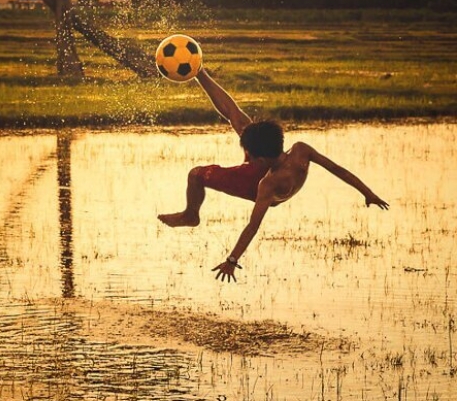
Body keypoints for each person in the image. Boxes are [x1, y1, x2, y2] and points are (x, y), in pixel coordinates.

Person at [158, 66, 388, 281]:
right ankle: (201, 73)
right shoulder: (300, 151)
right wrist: (367, 193)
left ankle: (191, 215)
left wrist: (232, 259)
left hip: (256, 186)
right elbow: (337, 170)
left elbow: (253, 225)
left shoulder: (266, 184)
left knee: (196, 174)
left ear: (254, 157)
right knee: (237, 118)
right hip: (272, 164)